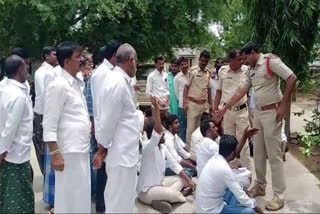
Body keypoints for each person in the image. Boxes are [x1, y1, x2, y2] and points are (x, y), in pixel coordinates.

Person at [215, 42, 297, 211]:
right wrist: (224, 108)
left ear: (253, 53)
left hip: (272, 112)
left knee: (274, 155)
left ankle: (279, 196)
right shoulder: (251, 70)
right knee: (258, 151)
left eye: (245, 58)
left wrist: (283, 105)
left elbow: (291, 78)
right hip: (258, 114)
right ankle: (260, 185)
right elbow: (241, 91)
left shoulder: (270, 61)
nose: (244, 61)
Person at [43, 41, 91, 213]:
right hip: (68, 152)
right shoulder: (58, 85)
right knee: (68, 197)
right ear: (66, 61)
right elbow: (48, 124)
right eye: (78, 56)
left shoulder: (77, 83)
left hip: (81, 149)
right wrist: (55, 154)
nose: (82, 60)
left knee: (81, 195)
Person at [94, 43, 140, 213]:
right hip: (121, 155)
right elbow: (107, 123)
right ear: (131, 60)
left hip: (126, 153)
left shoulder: (120, 81)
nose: (137, 66)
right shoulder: (117, 83)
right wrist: (101, 149)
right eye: (137, 62)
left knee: (125, 201)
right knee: (117, 203)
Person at [137, 96, 196, 213]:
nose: (164, 135)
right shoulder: (148, 147)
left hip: (160, 185)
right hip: (147, 192)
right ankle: (178, 197)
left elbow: (175, 165)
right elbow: (157, 132)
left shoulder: (162, 147)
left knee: (182, 180)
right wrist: (156, 110)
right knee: (174, 194)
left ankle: (164, 201)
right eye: (162, 134)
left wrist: (188, 180)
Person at [0, 55, 34, 213]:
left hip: (11, 152)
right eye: (25, 66)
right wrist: (2, 152)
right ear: (20, 69)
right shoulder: (17, 96)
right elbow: (10, 128)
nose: (27, 69)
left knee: (9, 192)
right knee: (18, 194)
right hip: (15, 154)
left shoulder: (5, 87)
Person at [196, 134, 264, 214]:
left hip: (204, 206)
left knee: (239, 189)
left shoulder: (215, 159)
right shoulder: (224, 168)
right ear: (232, 154)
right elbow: (241, 196)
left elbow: (237, 186)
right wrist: (257, 207)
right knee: (249, 211)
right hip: (212, 211)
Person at [91, 41, 121, 212]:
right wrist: (100, 130)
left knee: (109, 165)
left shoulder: (110, 71)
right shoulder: (102, 73)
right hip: (104, 125)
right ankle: (101, 204)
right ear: (113, 56)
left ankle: (107, 200)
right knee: (102, 165)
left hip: (109, 125)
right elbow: (101, 104)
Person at [214, 49, 251, 170]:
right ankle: (228, 171)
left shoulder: (247, 70)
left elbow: (244, 91)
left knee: (243, 143)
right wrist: (216, 109)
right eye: (239, 59)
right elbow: (219, 91)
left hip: (241, 112)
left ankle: (247, 173)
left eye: (242, 59)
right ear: (231, 60)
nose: (242, 61)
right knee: (228, 142)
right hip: (227, 113)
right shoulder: (222, 71)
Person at [33, 46, 57, 175]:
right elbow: (44, 95)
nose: (57, 57)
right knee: (43, 148)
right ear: (47, 56)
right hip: (42, 113)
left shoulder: (55, 71)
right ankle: (45, 175)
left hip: (50, 113)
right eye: (54, 54)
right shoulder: (41, 72)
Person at [183, 50, 212, 149]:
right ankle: (188, 149)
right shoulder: (193, 71)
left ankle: (197, 150)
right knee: (190, 129)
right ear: (199, 59)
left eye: (206, 61)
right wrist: (185, 102)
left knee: (199, 130)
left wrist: (210, 105)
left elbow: (208, 89)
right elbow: (186, 87)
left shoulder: (208, 72)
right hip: (192, 104)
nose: (204, 63)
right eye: (202, 60)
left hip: (203, 105)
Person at [174, 56, 190, 142]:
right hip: (182, 106)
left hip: (191, 105)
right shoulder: (177, 78)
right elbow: (176, 93)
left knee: (190, 126)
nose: (184, 66)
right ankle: (183, 145)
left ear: (188, 64)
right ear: (180, 66)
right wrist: (182, 102)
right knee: (182, 127)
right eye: (182, 64)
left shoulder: (191, 75)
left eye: (185, 63)